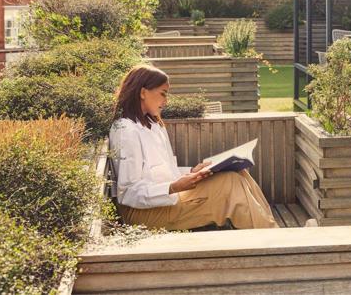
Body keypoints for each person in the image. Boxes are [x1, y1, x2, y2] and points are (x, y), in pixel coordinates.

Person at [109, 64, 277, 230]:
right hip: (142, 214)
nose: (165, 101)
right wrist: (174, 187)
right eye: (162, 94)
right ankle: (273, 239)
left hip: (164, 200)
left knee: (237, 172)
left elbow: (162, 172)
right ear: (143, 92)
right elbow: (128, 193)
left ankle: (271, 228)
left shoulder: (153, 125)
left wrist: (192, 173)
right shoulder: (126, 131)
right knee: (230, 184)